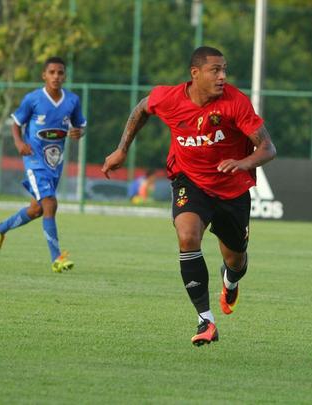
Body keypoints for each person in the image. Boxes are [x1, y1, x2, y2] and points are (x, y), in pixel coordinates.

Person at [102, 46, 276, 346]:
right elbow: (141, 108)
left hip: (232, 189)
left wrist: (243, 163)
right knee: (187, 235)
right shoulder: (168, 98)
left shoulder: (236, 103)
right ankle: (206, 320)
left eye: (225, 69)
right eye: (215, 70)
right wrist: (122, 149)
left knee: (235, 259)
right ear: (195, 74)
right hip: (190, 181)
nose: (223, 76)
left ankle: (230, 281)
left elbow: (268, 148)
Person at [0, 57, 86, 273]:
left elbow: (80, 126)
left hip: (54, 161)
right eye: (51, 72)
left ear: (65, 76)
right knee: (50, 203)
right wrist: (18, 142)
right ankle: (57, 258)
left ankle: (0, 228)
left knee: (36, 209)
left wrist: (78, 132)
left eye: (60, 73)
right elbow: (16, 123)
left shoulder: (72, 101)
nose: (56, 76)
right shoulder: (33, 99)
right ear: (44, 75)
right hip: (34, 158)